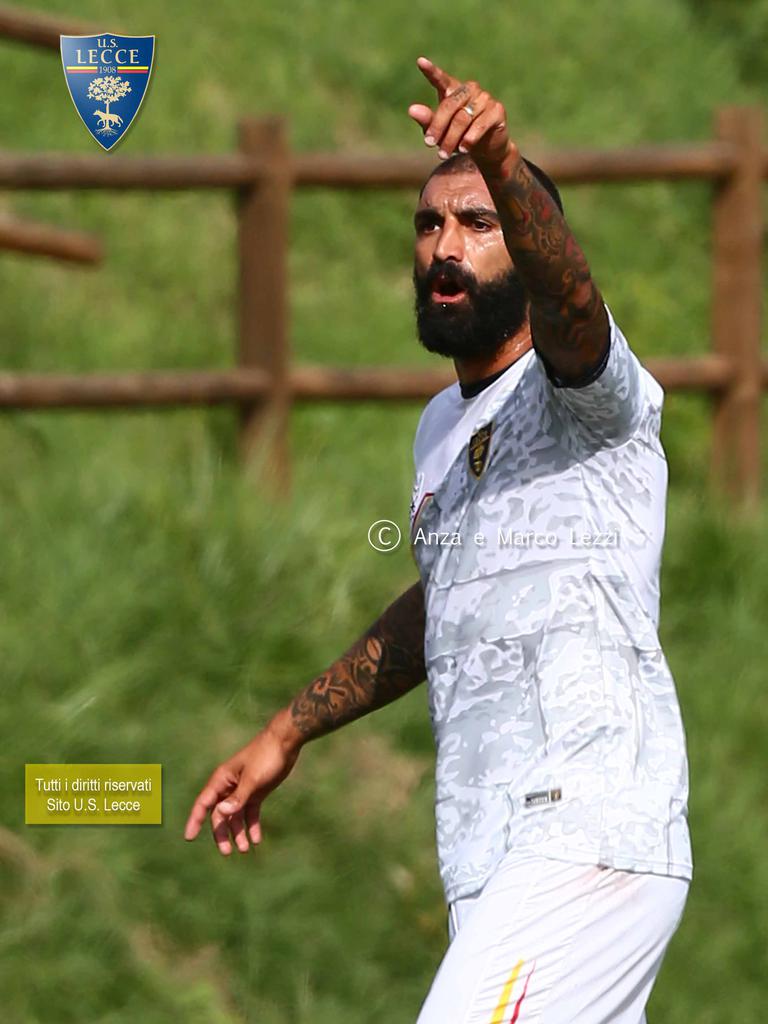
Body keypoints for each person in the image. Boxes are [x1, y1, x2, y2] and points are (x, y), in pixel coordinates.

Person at [184, 56, 692, 1023]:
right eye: (429, 225)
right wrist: (289, 729)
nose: (445, 247)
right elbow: (444, 602)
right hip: (493, 866)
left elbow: (574, 301)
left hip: (581, 836)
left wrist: (502, 160)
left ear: (527, 243)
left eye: (479, 223)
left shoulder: (584, 392)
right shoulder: (439, 430)